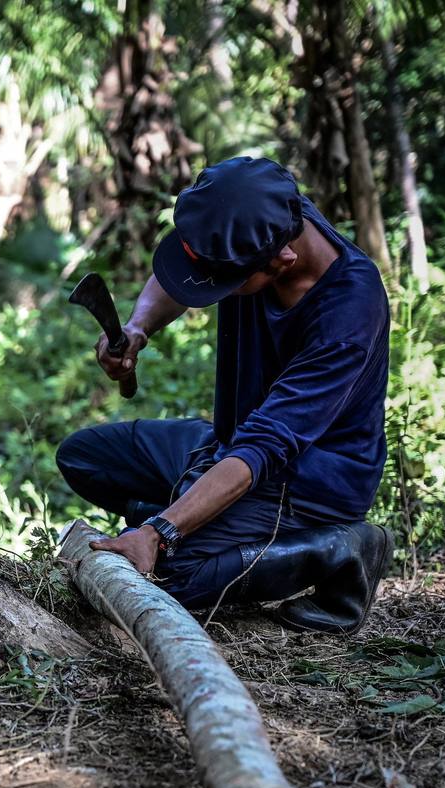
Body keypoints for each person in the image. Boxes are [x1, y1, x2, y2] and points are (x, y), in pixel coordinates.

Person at [56, 157, 394, 634]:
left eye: (222, 283)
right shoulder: (263, 216)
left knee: (167, 577)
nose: (209, 288)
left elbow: (264, 448)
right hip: (229, 445)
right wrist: (138, 327)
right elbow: (186, 270)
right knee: (84, 458)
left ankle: (340, 548)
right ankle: (197, 519)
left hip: (306, 484)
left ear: (283, 260)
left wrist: (160, 532)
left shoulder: (348, 313)